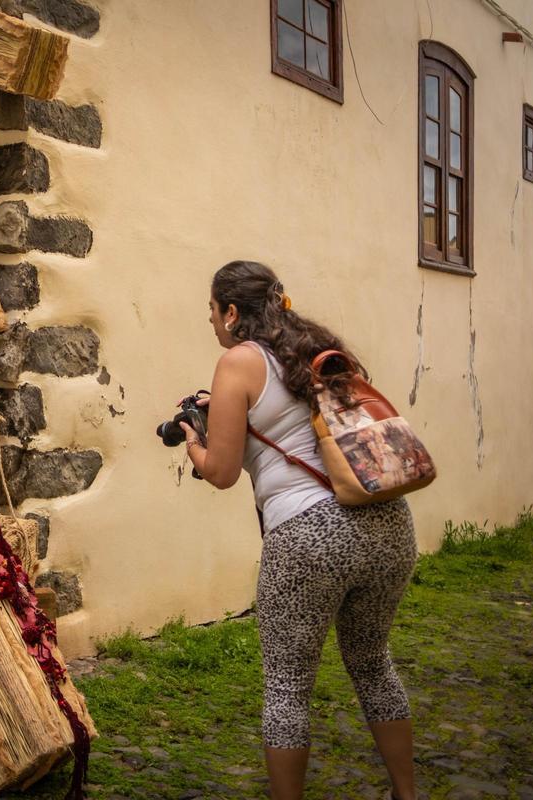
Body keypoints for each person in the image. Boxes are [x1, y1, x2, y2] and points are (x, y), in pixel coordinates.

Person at [180, 260, 419, 800]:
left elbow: (219, 472)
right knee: (373, 664)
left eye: (214, 312)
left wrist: (193, 442)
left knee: (288, 686)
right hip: (387, 525)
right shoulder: (318, 348)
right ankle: (408, 794)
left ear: (234, 312)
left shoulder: (238, 360)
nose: (212, 323)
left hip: (310, 534)